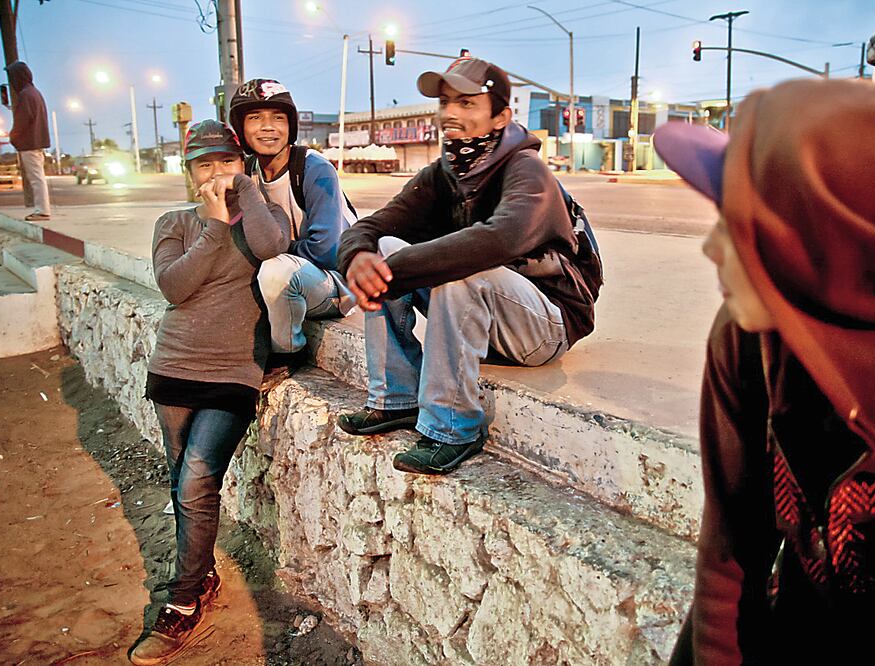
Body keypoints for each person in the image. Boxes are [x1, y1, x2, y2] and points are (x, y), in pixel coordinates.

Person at [653, 79, 875, 664]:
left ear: (822, 238)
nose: (710, 248)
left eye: (737, 223)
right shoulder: (745, 341)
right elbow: (731, 557)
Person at [336, 57, 602, 475]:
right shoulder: (447, 171)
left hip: (544, 326)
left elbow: (499, 240)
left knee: (460, 270)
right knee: (383, 249)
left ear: (501, 117)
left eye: (466, 103)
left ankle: (453, 427)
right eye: (446, 102)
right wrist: (358, 255)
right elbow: (374, 224)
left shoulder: (526, 170)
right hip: (483, 320)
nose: (451, 114)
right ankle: (396, 399)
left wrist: (395, 273)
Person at [129, 120, 290, 665]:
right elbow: (175, 286)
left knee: (197, 477)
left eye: (226, 161)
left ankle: (183, 599)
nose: (215, 173)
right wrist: (214, 226)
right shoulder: (172, 222)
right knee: (184, 484)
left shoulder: (259, 216)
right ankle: (204, 577)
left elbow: (275, 248)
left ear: (241, 165)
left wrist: (242, 193)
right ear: (188, 172)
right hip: (174, 367)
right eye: (204, 164)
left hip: (233, 371)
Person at [228, 78, 356, 379]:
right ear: (241, 128)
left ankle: (288, 351)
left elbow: (327, 250)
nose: (268, 127)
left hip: (336, 282)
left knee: (274, 268)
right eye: (255, 118)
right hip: (290, 278)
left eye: (278, 118)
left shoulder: (313, 168)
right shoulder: (248, 172)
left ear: (291, 125)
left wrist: (272, 245)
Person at [5, 61, 51, 221]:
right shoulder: (34, 93)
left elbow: (22, 121)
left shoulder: (26, 95)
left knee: (36, 178)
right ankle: (42, 209)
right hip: (36, 142)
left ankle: (42, 210)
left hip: (30, 143)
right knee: (37, 177)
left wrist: (14, 136)